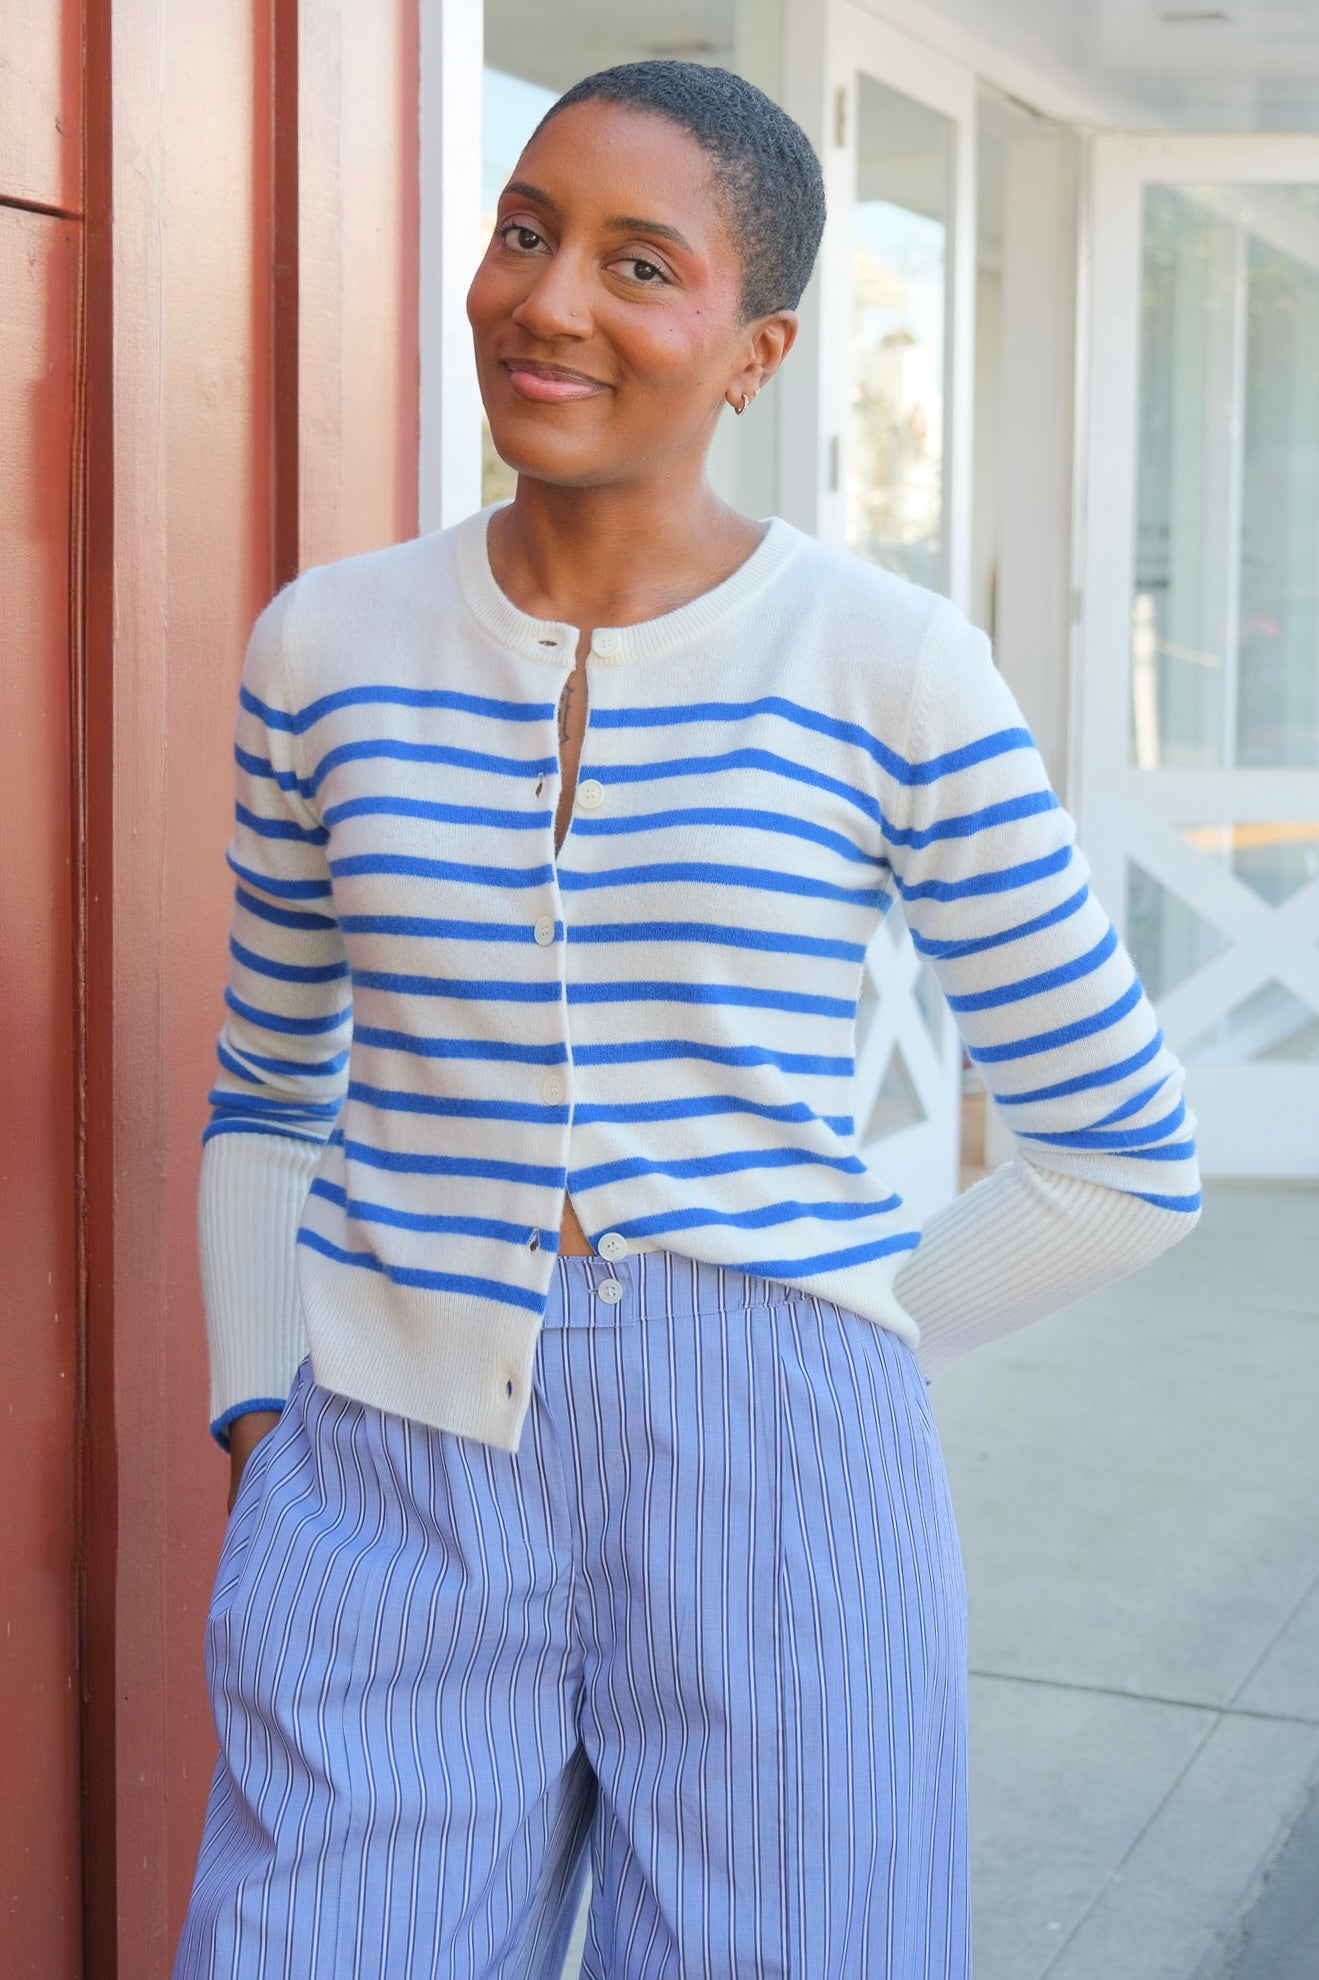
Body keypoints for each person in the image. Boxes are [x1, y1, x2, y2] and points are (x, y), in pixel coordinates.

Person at [173, 59, 1202, 1980]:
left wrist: (838, 1336)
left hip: (784, 1496)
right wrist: (261, 1413)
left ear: (756, 348)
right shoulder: (324, 646)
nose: (548, 299)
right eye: (524, 232)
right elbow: (266, 1087)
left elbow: (1124, 1158)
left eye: (641, 265)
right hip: (385, 1471)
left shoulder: (886, 663)